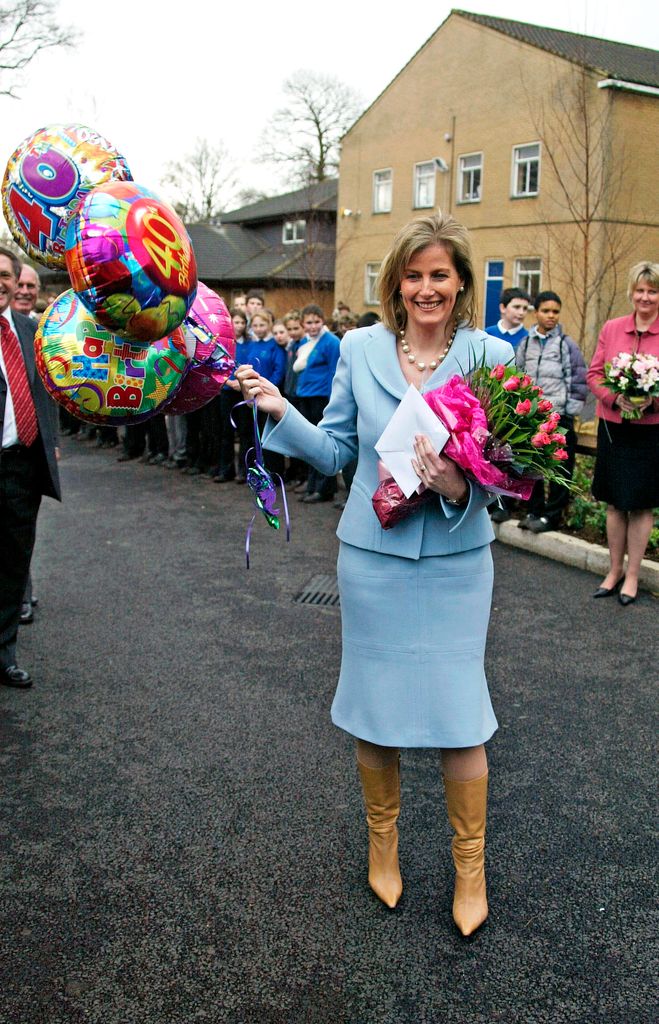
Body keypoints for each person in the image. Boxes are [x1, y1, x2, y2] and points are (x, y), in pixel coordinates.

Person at [237, 214, 514, 936]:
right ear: (396, 282)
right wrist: (277, 411)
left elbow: (512, 474)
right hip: (370, 560)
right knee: (374, 708)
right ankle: (382, 848)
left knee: (461, 717)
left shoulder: (492, 355)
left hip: (457, 562)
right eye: (413, 276)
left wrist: (458, 487)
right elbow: (333, 454)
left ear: (460, 283)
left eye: (440, 276)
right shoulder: (359, 348)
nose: (426, 288)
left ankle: (468, 870)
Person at [0, 246, 61, 689]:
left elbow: (49, 394)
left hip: (21, 467)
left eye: (6, 274)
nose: (2, 282)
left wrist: (50, 444)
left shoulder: (31, 331)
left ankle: (4, 656)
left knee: (13, 565)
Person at [586, 261, 659, 605]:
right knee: (614, 502)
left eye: (653, 291)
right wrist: (615, 398)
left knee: (641, 504)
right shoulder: (613, 328)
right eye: (640, 290)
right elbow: (594, 374)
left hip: (650, 431)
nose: (645, 297)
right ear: (632, 292)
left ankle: (633, 576)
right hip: (614, 427)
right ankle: (614, 570)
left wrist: (651, 403)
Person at [514, 291, 587, 532]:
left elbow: (577, 379)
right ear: (536, 313)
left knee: (559, 467)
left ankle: (551, 516)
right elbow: (519, 374)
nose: (551, 316)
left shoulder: (566, 345)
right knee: (531, 465)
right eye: (546, 311)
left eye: (555, 311)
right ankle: (533, 511)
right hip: (533, 415)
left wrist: (569, 411)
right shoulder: (526, 343)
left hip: (559, 416)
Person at [295, 304, 341, 504]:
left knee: (322, 444)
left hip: (322, 397)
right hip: (305, 395)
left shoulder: (331, 342)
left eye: (316, 322)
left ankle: (324, 488)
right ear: (302, 324)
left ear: (323, 321)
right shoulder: (305, 341)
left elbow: (336, 372)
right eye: (309, 322)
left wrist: (333, 400)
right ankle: (312, 484)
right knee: (309, 443)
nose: (313, 326)